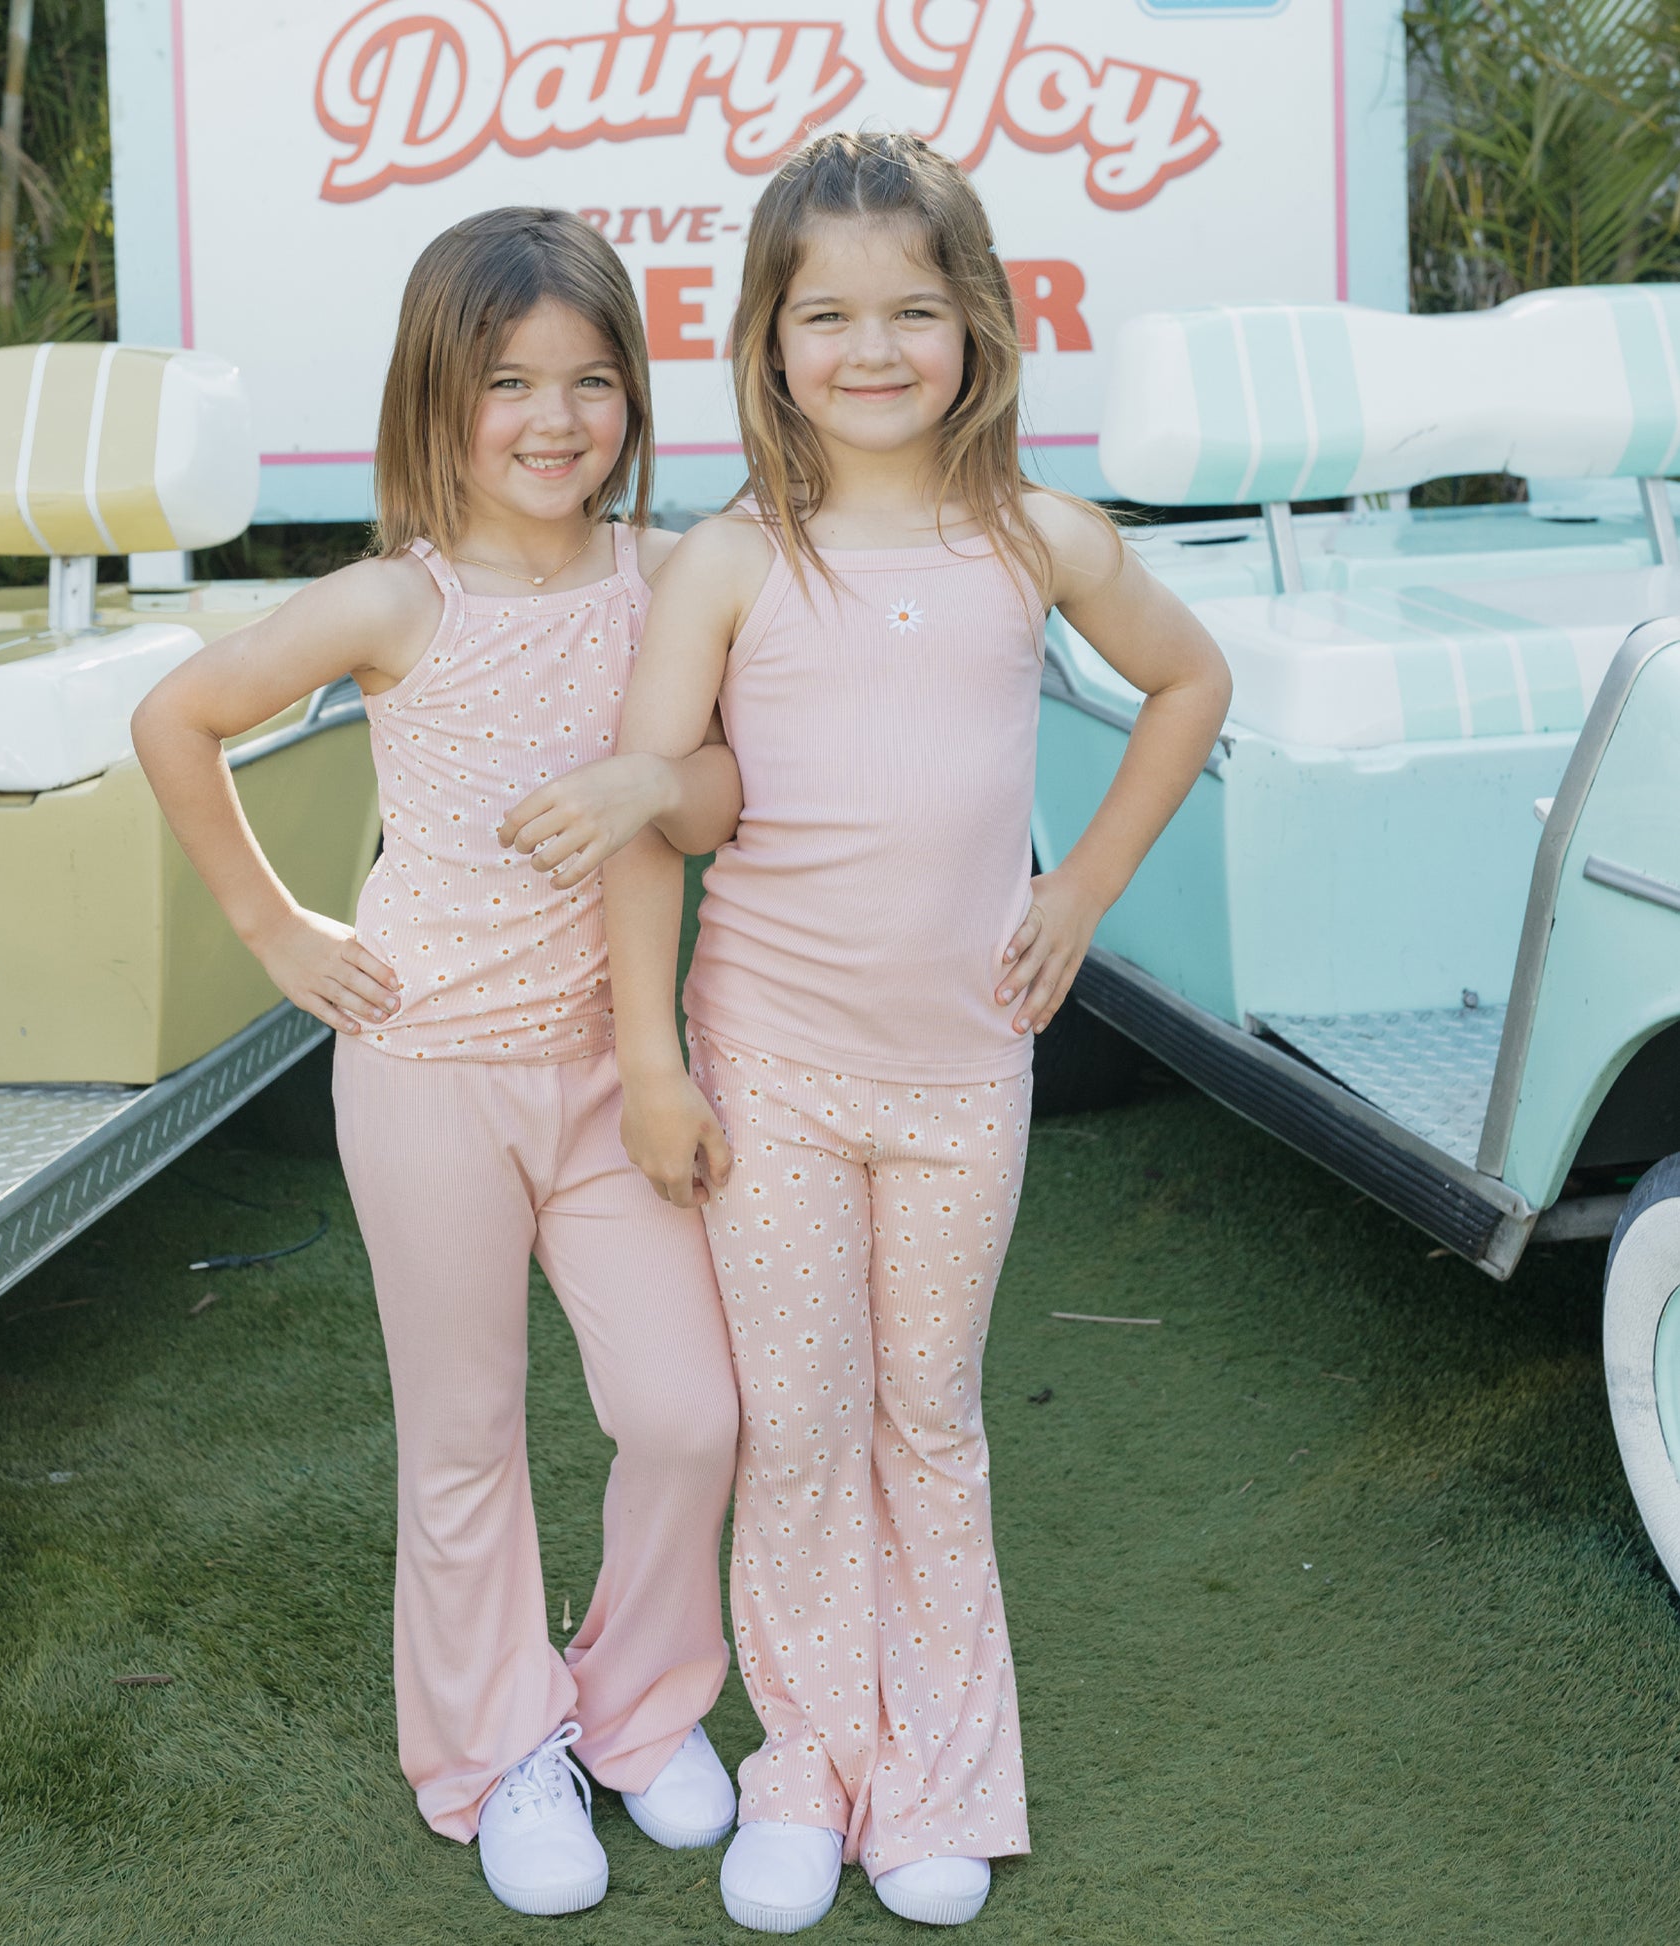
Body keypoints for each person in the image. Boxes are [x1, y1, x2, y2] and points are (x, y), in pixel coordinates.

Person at [593, 133, 1233, 1932]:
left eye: (910, 310)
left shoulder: (1036, 537)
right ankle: (804, 1759)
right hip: (769, 1065)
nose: (870, 349)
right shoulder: (723, 563)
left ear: (978, 326)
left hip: (964, 1069)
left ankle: (939, 1775)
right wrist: (650, 1058)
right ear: (767, 340)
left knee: (924, 1413)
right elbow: (654, 816)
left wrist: (1086, 881)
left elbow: (1191, 680)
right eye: (827, 316)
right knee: (793, 1422)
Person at [131, 207, 747, 1921]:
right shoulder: (395, 598)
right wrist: (279, 934)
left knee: (685, 1411)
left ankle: (634, 1703)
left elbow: (716, 797)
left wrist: (650, 795)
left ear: (633, 393)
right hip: (424, 1073)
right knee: (463, 1433)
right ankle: (497, 1752)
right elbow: (174, 718)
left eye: (589, 380)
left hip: (615, 1069)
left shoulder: (670, 575)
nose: (552, 420)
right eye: (506, 384)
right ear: (436, 394)